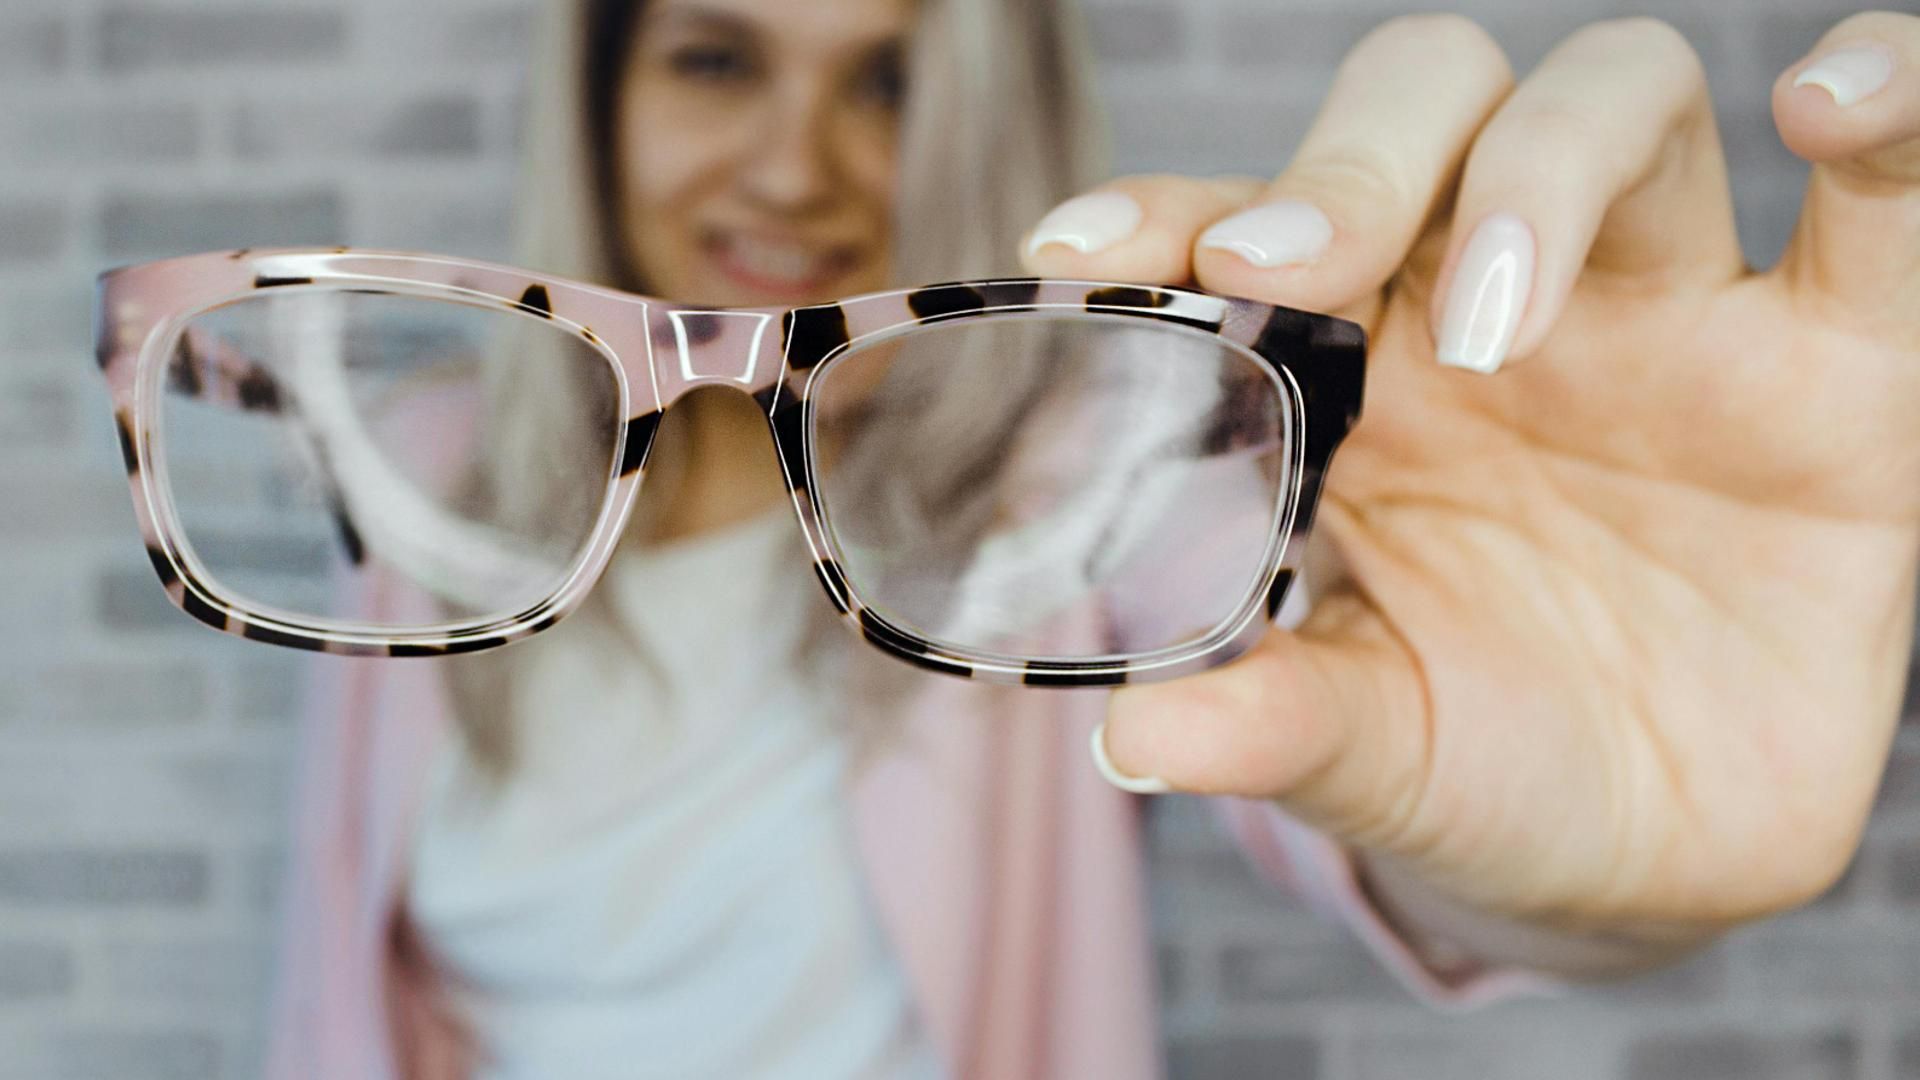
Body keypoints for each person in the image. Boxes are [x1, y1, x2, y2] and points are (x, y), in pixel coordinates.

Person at [261, 0, 1920, 1076]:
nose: (792, 164)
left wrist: (1616, 834)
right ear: (600, 91)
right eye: (716, 58)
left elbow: (1376, 774)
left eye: (891, 80)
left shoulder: (1085, 475)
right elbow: (333, 993)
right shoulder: (430, 472)